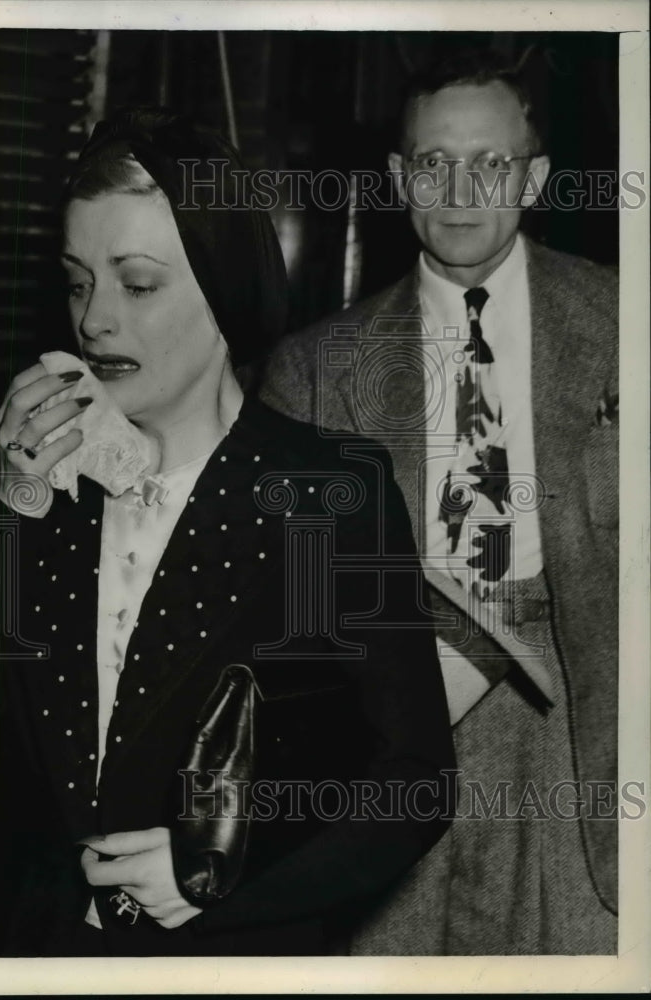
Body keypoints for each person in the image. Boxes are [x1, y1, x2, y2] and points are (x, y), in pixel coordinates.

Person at [0, 106, 455, 958]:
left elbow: (410, 785)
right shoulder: (46, 487)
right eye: (77, 280)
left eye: (135, 283)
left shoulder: (324, 495)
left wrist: (217, 868)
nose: (95, 319)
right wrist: (13, 507)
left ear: (224, 288)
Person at [260, 51, 618, 954]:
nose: (459, 188)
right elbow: (286, 624)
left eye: (490, 163)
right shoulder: (313, 369)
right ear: (397, 178)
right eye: (431, 162)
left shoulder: (628, 326)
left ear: (532, 177)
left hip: (588, 778)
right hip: (394, 779)